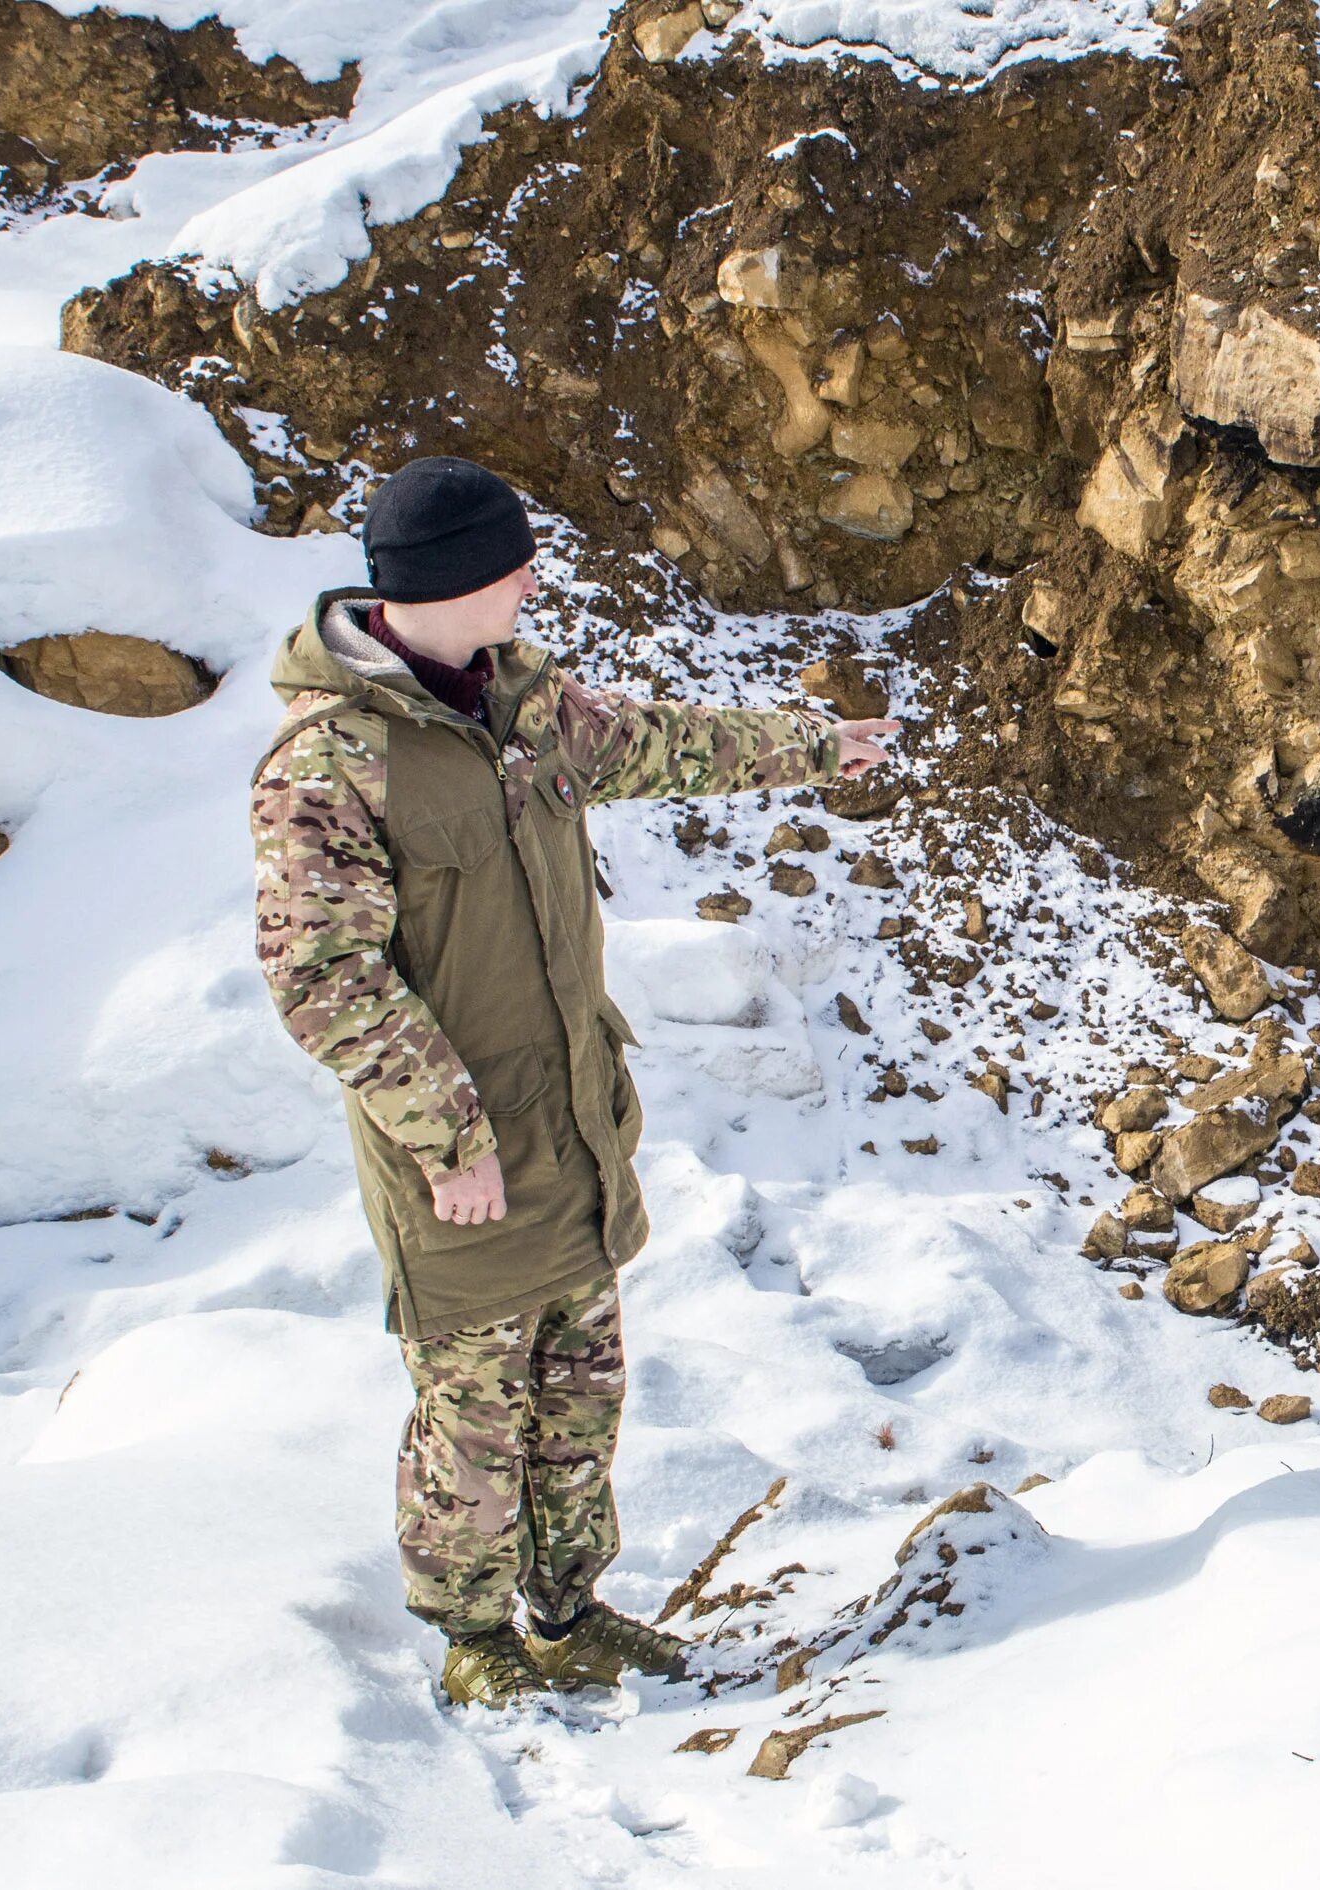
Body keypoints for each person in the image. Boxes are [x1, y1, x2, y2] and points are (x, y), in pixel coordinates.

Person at [249, 456, 900, 1707]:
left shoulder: (526, 701)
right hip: (462, 1163)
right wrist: (449, 1139)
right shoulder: (332, 764)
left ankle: (570, 1611)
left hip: (571, 1127)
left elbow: (662, 743)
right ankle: (476, 1643)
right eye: (513, 568)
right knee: (476, 1418)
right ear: (445, 587)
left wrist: (814, 745)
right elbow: (321, 978)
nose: (535, 583)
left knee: (580, 1390)